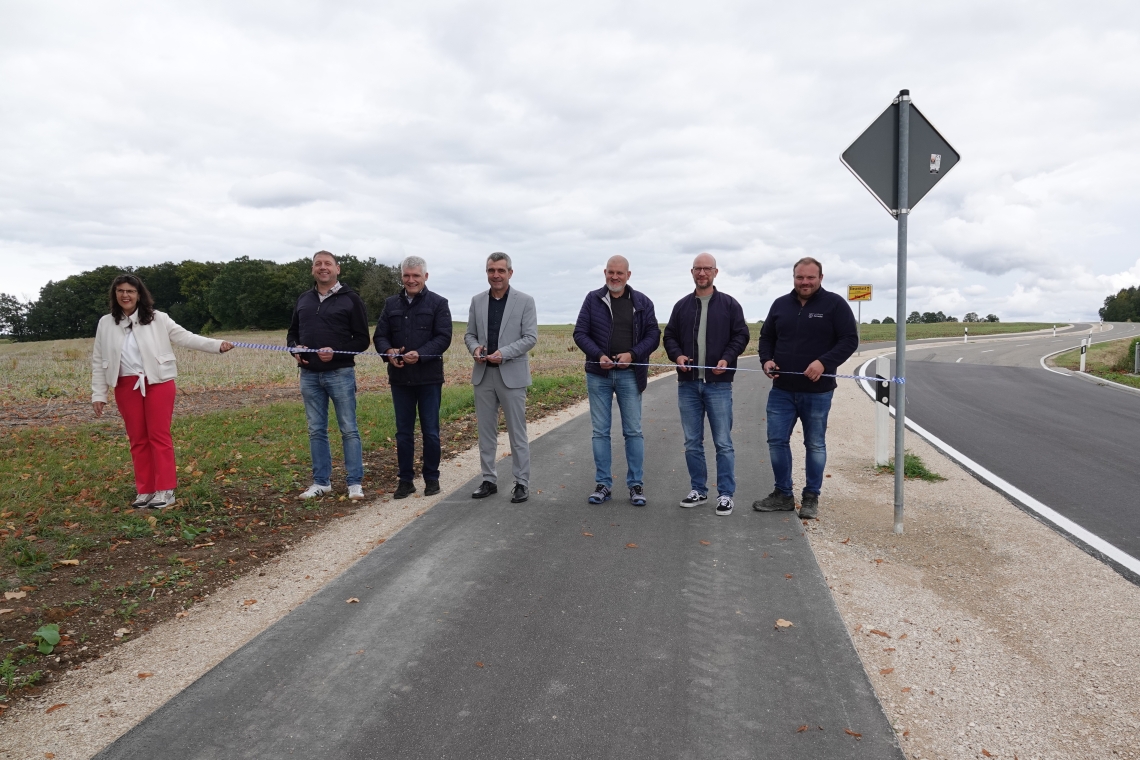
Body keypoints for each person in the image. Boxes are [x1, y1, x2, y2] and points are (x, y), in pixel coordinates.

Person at [92, 274, 234, 509]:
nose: (125, 295)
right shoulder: (106, 323)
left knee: (158, 435)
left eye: (130, 291)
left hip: (158, 382)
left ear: (139, 294)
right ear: (114, 294)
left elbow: (186, 337)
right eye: (120, 291)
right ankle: (145, 490)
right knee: (137, 439)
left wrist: (216, 345)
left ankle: (165, 489)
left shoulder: (158, 318)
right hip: (126, 386)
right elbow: (99, 359)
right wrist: (99, 394)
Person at [755, 257, 858, 519]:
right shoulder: (780, 304)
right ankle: (783, 495)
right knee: (776, 442)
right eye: (800, 277)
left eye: (810, 277)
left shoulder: (835, 305)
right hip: (781, 390)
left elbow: (849, 340)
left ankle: (811, 498)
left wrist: (824, 363)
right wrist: (766, 359)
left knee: (814, 444)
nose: (805, 282)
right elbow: (767, 336)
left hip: (818, 391)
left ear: (820, 278)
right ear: (794, 278)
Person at [662, 253, 751, 516]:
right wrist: (677, 356)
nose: (702, 273)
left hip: (719, 384)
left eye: (707, 269)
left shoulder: (730, 305)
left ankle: (726, 494)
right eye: (698, 269)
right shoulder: (681, 306)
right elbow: (669, 336)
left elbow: (741, 335)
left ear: (715, 272)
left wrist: (727, 358)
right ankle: (698, 490)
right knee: (692, 442)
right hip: (688, 385)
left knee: (723, 442)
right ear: (692, 272)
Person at [573, 255, 660, 506]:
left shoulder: (642, 302)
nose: (614, 277)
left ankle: (635, 485)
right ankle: (603, 485)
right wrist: (598, 355)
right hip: (598, 374)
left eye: (619, 273)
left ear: (628, 275)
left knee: (633, 431)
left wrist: (632, 355)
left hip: (630, 375)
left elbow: (653, 335)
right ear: (604, 273)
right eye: (611, 272)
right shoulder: (593, 299)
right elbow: (580, 333)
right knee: (600, 432)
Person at [287, 251, 371, 501]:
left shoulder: (351, 299)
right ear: (313, 269)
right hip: (309, 376)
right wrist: (295, 349)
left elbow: (363, 340)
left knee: (348, 429)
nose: (323, 268)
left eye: (327, 264)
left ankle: (354, 482)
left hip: (340, 373)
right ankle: (321, 482)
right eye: (318, 264)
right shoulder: (304, 299)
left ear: (338, 269)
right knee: (315, 430)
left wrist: (336, 353)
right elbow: (292, 333)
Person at [373, 256, 453, 500]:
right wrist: (388, 353)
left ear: (425, 277)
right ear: (402, 277)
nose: (411, 280)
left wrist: (421, 354)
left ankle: (432, 478)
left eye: (416, 276)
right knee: (403, 433)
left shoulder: (439, 303)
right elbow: (380, 337)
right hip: (400, 379)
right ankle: (405, 480)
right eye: (407, 275)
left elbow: (443, 337)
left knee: (430, 431)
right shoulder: (390, 304)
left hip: (428, 378)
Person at [464, 252, 538, 503]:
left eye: (500, 270)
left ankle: (521, 482)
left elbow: (530, 337)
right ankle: (488, 479)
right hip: (483, 375)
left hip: (512, 376)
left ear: (510, 273)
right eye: (491, 270)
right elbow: (469, 334)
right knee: (486, 432)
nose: (495, 275)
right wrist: (474, 348)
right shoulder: (477, 301)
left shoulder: (525, 301)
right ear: (486, 272)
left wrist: (503, 354)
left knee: (517, 433)